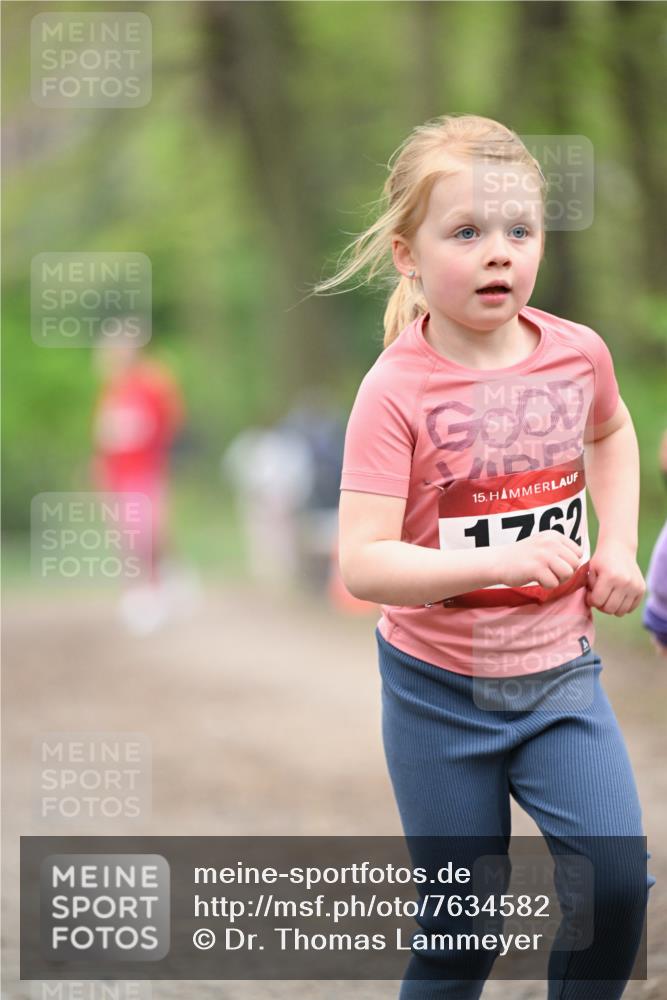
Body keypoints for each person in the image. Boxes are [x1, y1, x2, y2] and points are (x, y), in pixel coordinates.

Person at [315, 114, 655, 999]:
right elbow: (364, 562)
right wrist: (492, 567)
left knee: (615, 888)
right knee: (462, 933)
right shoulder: (394, 389)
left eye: (518, 231)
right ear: (407, 254)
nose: (497, 253)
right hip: (437, 693)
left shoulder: (576, 355)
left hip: (557, 680)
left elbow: (612, 434)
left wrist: (615, 545)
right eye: (466, 232)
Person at [92, 337, 186, 633]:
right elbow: (106, 442)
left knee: (150, 534)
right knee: (126, 537)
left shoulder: (150, 386)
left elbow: (171, 423)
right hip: (120, 478)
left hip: (146, 473)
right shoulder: (110, 393)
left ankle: (160, 587)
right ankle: (138, 594)